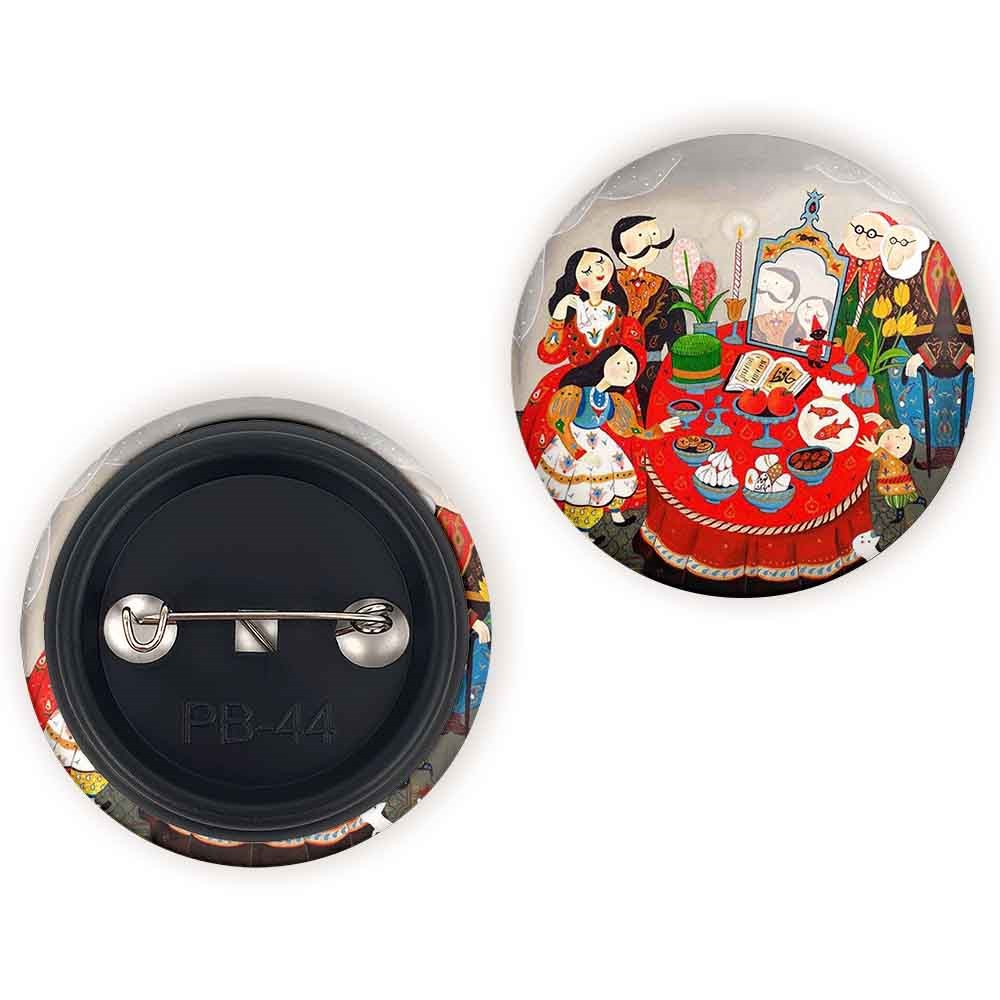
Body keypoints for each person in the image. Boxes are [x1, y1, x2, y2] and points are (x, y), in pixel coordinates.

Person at [536, 345, 681, 530]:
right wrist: (579, 453)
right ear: (603, 362)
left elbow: (632, 429)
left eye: (632, 365)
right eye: (620, 362)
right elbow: (560, 424)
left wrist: (658, 429)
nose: (627, 369)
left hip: (601, 441)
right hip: (575, 441)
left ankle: (616, 515)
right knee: (583, 487)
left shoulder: (614, 400)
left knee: (615, 476)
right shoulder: (575, 392)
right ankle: (581, 531)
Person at [611, 215, 686, 410]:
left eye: (653, 234)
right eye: (640, 236)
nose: (650, 241)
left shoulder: (665, 287)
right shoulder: (606, 284)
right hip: (610, 370)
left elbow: (677, 340)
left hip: (651, 374)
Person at [856, 412, 926, 522]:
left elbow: (885, 456)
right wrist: (879, 420)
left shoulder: (895, 461)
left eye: (897, 447)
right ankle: (910, 505)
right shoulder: (895, 437)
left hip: (896, 486)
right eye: (888, 437)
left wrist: (874, 448)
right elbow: (891, 432)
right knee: (902, 499)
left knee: (898, 501)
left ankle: (906, 510)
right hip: (892, 484)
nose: (888, 444)